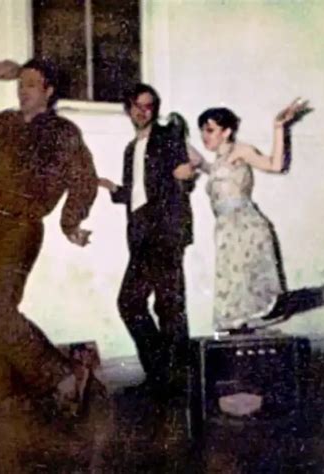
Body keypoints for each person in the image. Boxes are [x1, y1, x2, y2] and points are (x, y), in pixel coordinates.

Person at [0, 58, 99, 467]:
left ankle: (63, 375)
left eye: (32, 84)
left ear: (49, 90)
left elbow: (83, 178)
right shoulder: (7, 123)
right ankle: (6, 395)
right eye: (20, 84)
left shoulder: (62, 132)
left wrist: (71, 223)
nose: (23, 91)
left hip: (20, 228)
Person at [98, 83, 195, 392]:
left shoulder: (167, 137)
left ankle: (177, 381)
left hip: (165, 232)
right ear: (128, 108)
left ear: (155, 109)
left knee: (168, 306)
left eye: (149, 106)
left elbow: (182, 174)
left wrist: (185, 175)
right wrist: (112, 188)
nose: (142, 111)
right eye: (137, 105)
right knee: (131, 303)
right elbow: (136, 192)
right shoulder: (131, 149)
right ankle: (162, 375)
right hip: (141, 235)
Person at [193, 99, 308, 331]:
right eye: (202, 131)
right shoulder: (218, 163)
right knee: (239, 300)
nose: (204, 136)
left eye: (210, 130)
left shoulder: (240, 151)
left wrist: (278, 127)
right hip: (227, 230)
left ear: (227, 132)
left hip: (245, 226)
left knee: (260, 301)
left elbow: (275, 165)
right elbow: (208, 168)